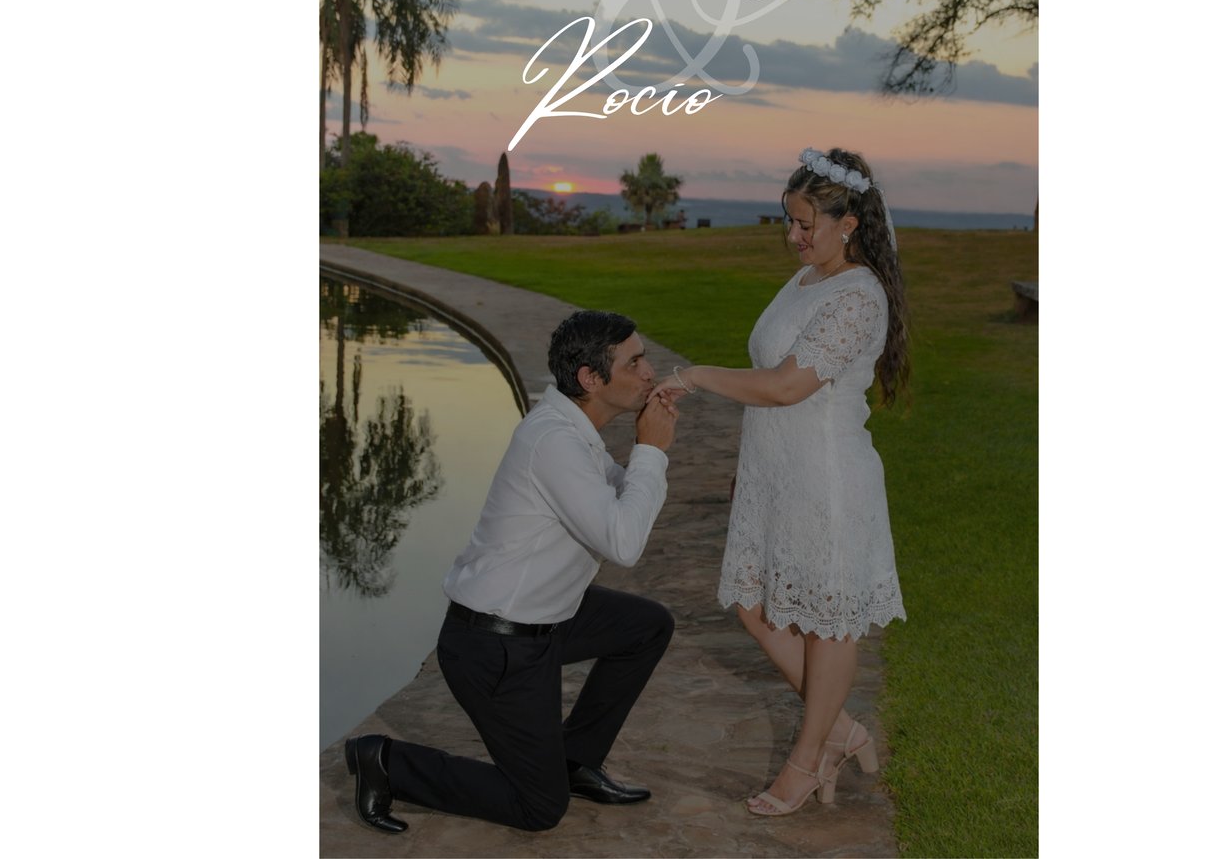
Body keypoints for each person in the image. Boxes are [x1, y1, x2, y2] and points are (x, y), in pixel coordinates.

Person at [344, 310, 681, 834]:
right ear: (590, 378)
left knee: (646, 626)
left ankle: (574, 762)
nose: (649, 372)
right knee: (539, 808)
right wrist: (650, 452)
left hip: (547, 620)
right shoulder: (553, 441)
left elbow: (621, 499)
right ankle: (386, 762)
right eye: (634, 362)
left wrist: (647, 458)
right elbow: (623, 541)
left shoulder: (573, 431)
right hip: (496, 646)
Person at [654, 147, 909, 817]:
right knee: (753, 603)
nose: (792, 235)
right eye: (788, 220)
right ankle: (842, 732)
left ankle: (807, 759)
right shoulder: (805, 280)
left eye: (804, 223)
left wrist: (695, 375)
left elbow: (787, 385)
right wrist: (752, 471)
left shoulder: (858, 296)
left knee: (827, 624)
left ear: (847, 224)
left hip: (826, 480)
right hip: (777, 474)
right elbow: (773, 382)